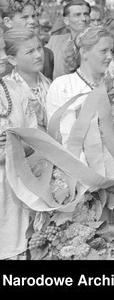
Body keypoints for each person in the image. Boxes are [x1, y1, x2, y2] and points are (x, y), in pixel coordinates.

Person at [0, 28, 40, 260]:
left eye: (2, 50)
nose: (2, 57)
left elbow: (33, 139)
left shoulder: (15, 89)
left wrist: (17, 145)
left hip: (16, 190)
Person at [45, 26, 114, 147]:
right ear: (83, 52)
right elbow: (59, 134)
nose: (110, 56)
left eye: (111, 51)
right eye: (104, 51)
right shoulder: (62, 85)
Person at [3, 28, 51, 131]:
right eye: (30, 52)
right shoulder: (6, 90)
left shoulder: (51, 84)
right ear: (12, 60)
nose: (38, 55)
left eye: (39, 48)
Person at [1, 0, 55, 80]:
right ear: (8, 22)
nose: (32, 21)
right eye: (25, 17)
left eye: (33, 16)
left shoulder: (46, 55)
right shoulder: (2, 58)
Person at [46, 0, 90, 79]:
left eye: (86, 14)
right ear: (66, 21)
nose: (83, 18)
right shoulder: (54, 41)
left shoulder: (98, 42)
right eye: (77, 15)